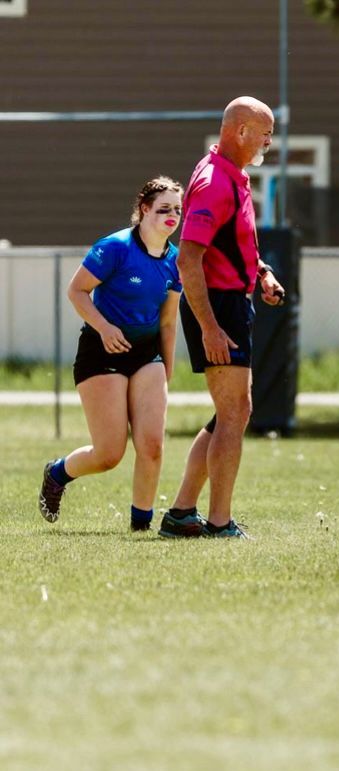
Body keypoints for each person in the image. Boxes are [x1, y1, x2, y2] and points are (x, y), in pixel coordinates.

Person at [158, 95, 285, 540]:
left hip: (231, 299)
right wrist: (210, 326)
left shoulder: (232, 174)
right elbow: (189, 260)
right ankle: (218, 522)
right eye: (265, 133)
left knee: (228, 413)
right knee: (235, 413)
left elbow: (233, 240)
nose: (270, 141)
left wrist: (262, 272)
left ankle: (181, 513)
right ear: (240, 131)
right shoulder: (215, 181)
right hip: (218, 305)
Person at [38, 176, 185, 532]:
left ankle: (141, 527)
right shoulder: (115, 247)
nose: (172, 216)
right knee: (109, 455)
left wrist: (166, 368)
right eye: (163, 208)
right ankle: (57, 473)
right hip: (101, 351)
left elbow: (167, 322)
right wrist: (105, 328)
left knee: (151, 445)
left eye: (178, 210)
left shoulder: (175, 261)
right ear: (144, 209)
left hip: (146, 354)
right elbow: (76, 292)